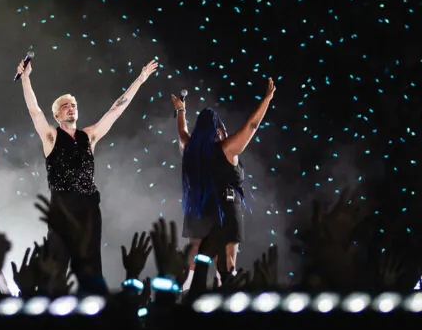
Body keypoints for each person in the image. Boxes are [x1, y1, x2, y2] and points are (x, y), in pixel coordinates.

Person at [17, 57, 159, 276]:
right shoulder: (51, 136)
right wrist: (25, 79)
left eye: (73, 105)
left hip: (88, 211)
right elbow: (35, 112)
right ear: (56, 115)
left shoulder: (89, 136)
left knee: (90, 270)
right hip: (62, 211)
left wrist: (140, 79)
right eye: (65, 106)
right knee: (56, 269)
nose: (70, 108)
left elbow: (115, 110)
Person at [173, 77, 276, 287]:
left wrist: (181, 110)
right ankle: (225, 306)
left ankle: (184, 303)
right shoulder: (227, 149)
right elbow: (252, 126)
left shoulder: (190, 149)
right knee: (227, 264)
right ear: (217, 130)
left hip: (199, 209)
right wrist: (267, 99)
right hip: (226, 209)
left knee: (194, 260)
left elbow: (182, 132)